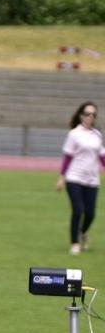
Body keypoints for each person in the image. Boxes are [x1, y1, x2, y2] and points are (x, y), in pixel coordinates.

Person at [59, 102, 104, 255]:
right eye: (87, 113)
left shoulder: (98, 135)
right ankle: (75, 243)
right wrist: (62, 177)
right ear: (81, 115)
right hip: (74, 177)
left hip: (92, 179)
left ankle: (83, 233)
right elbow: (67, 157)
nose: (90, 116)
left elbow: (102, 156)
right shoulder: (74, 134)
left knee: (91, 214)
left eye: (93, 114)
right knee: (78, 210)